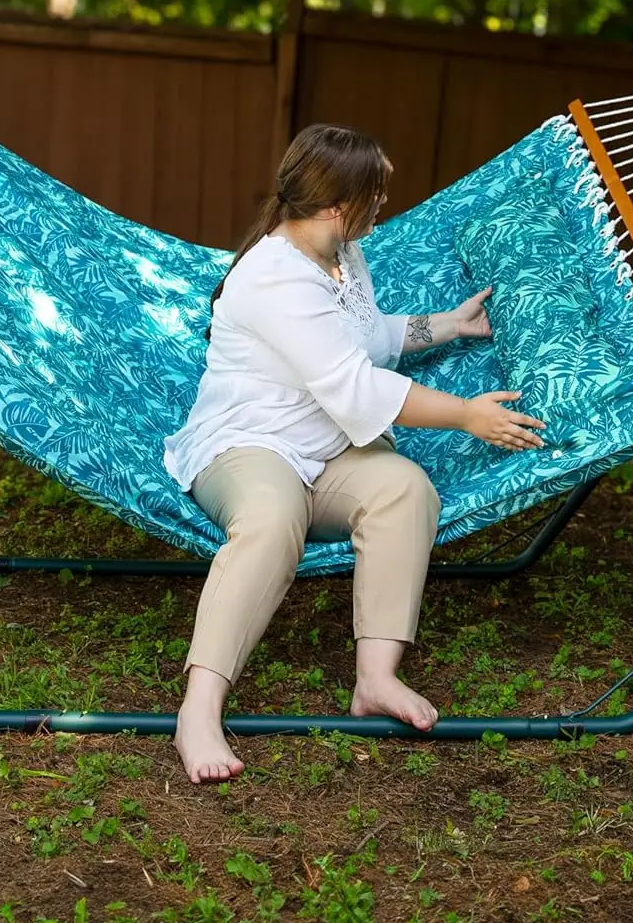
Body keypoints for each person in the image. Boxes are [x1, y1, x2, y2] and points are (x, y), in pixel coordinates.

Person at [163, 123, 547, 783]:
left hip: (328, 450)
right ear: (339, 204)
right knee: (271, 517)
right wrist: (465, 415)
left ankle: (375, 678)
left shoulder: (341, 254)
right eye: (378, 191)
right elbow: (356, 384)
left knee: (405, 488)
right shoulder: (272, 278)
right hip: (249, 444)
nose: (386, 201)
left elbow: (365, 339)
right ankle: (198, 711)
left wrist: (446, 326)